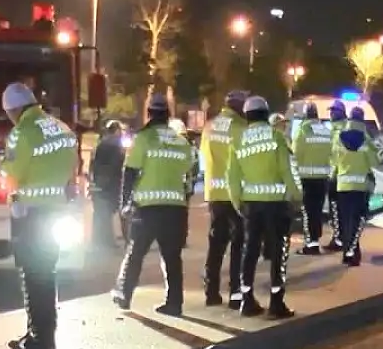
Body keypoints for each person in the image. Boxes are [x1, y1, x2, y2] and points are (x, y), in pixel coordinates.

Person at [0, 82, 79, 349]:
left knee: (33, 277)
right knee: (47, 275)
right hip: (56, 212)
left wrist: (2, 168)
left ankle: (39, 341)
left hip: (30, 215)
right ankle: (45, 336)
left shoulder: (21, 133)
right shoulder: (61, 127)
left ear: (13, 110)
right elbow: (73, 166)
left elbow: (12, 174)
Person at [111, 94, 193, 316]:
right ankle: (174, 303)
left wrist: (124, 203)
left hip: (147, 207)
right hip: (175, 207)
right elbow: (189, 174)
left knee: (136, 253)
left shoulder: (143, 138)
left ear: (149, 114)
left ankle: (124, 294)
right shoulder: (181, 142)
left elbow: (130, 172)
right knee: (172, 257)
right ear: (168, 115)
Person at [227, 95, 301, 318]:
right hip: (276, 205)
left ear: (247, 116)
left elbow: (232, 177)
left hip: (250, 205)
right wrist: (296, 197)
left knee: (250, 251)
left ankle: (246, 300)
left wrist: (237, 202)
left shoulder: (238, 141)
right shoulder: (276, 136)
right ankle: (276, 303)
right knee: (278, 252)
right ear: (265, 113)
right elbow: (286, 171)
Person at [201, 90, 248, 309]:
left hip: (214, 193)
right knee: (238, 244)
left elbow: (204, 157)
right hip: (236, 194)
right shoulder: (241, 128)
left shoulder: (209, 126)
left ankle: (211, 292)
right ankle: (235, 292)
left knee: (216, 244)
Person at [334, 123, 379, 266]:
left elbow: (332, 160)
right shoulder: (365, 142)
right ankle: (353, 253)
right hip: (361, 187)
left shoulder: (338, 140)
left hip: (343, 187)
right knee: (356, 222)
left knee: (345, 222)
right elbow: (375, 162)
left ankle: (347, 253)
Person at [291, 102, 333, 255]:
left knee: (309, 212)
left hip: (307, 178)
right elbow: (332, 153)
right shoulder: (326, 131)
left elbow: (295, 153)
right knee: (318, 211)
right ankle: (315, 240)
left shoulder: (303, 130)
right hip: (323, 178)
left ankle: (311, 244)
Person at [88, 119, 126, 249]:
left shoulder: (100, 143)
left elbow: (93, 163)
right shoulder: (115, 144)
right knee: (107, 212)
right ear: (116, 130)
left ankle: (98, 240)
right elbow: (116, 165)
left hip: (99, 181)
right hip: (109, 183)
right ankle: (107, 241)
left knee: (100, 212)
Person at [324, 100, 350, 251]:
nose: (331, 114)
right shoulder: (335, 129)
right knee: (340, 210)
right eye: (331, 111)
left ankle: (339, 239)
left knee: (336, 209)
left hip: (338, 175)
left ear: (341, 113)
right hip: (341, 175)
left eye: (334, 111)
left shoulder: (341, 130)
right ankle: (342, 238)